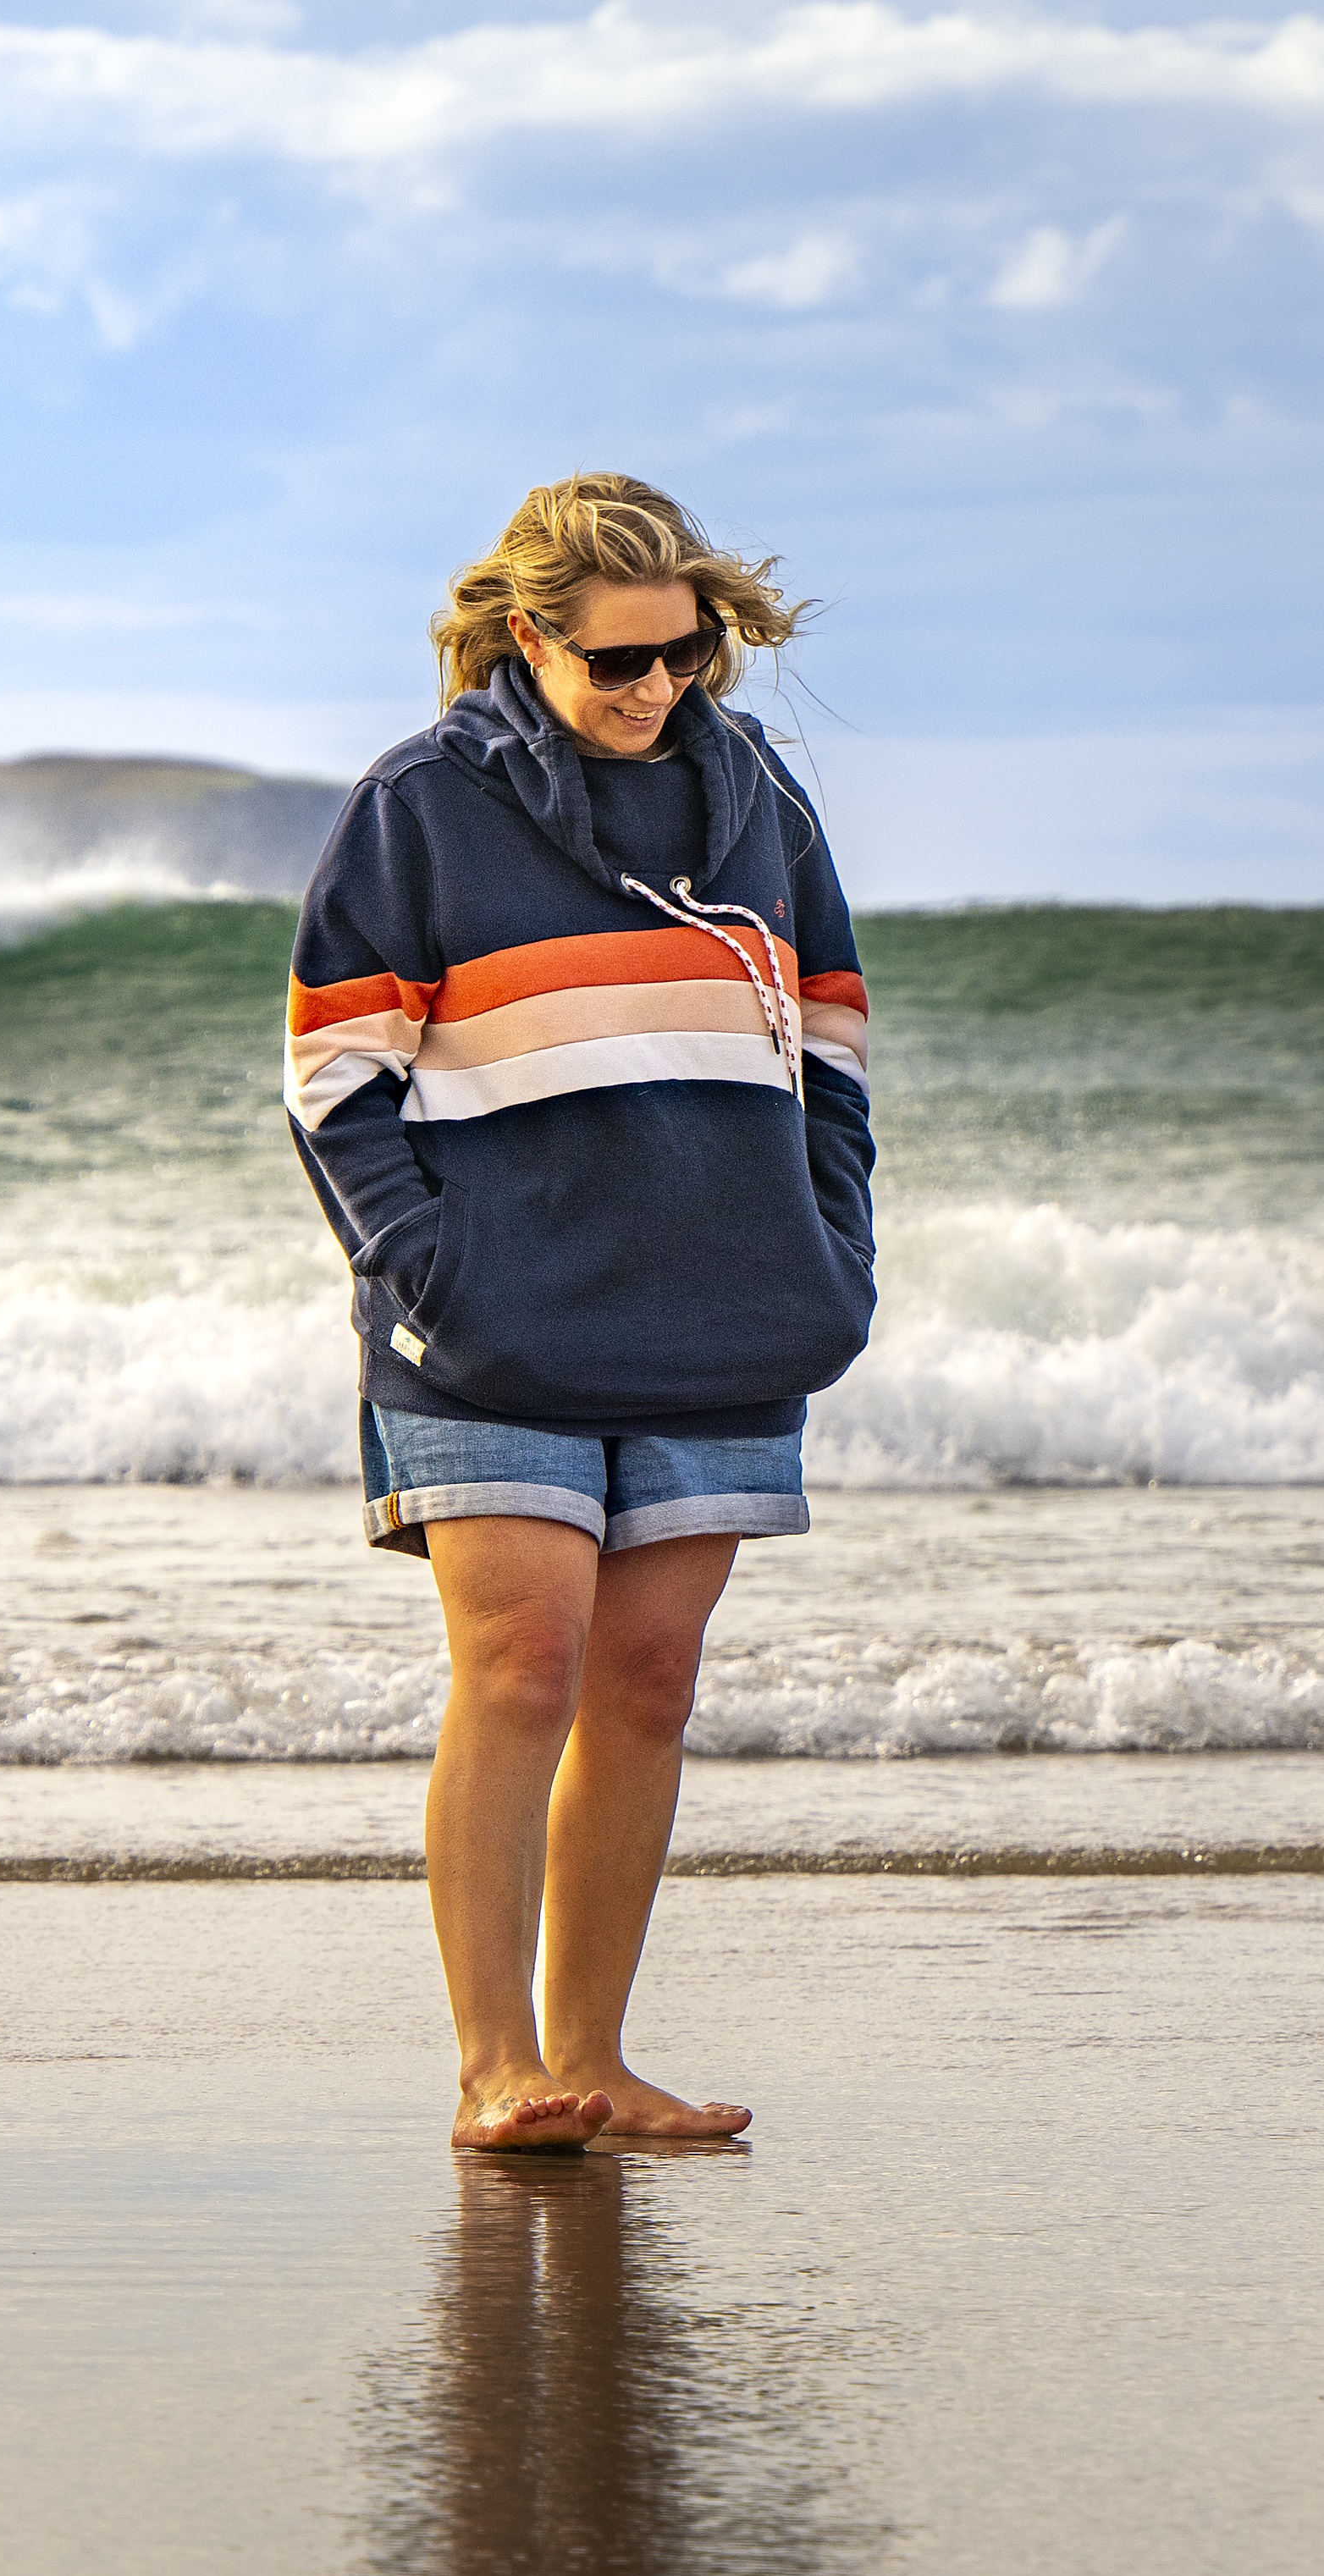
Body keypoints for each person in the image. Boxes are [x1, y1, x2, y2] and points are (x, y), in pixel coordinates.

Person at [285, 472, 874, 2152]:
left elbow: (830, 1046)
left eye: (684, 654)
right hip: (487, 1321)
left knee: (648, 1681)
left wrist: (831, 1254)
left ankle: (595, 2059)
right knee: (525, 1661)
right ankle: (493, 2069)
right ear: (529, 639)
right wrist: (429, 1268)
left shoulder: (761, 801)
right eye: (617, 663)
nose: (655, 690)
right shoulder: (417, 806)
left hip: (724, 1309)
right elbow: (335, 1071)